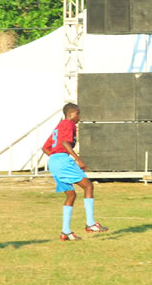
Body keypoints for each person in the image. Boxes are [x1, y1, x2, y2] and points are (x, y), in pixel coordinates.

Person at [42, 103, 107, 241]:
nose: (79, 116)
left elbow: (45, 148)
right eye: (78, 113)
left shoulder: (59, 126)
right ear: (70, 114)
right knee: (88, 186)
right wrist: (78, 160)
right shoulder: (69, 124)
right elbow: (65, 143)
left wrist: (55, 158)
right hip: (62, 160)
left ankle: (66, 232)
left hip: (53, 162)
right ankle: (90, 223)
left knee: (71, 195)